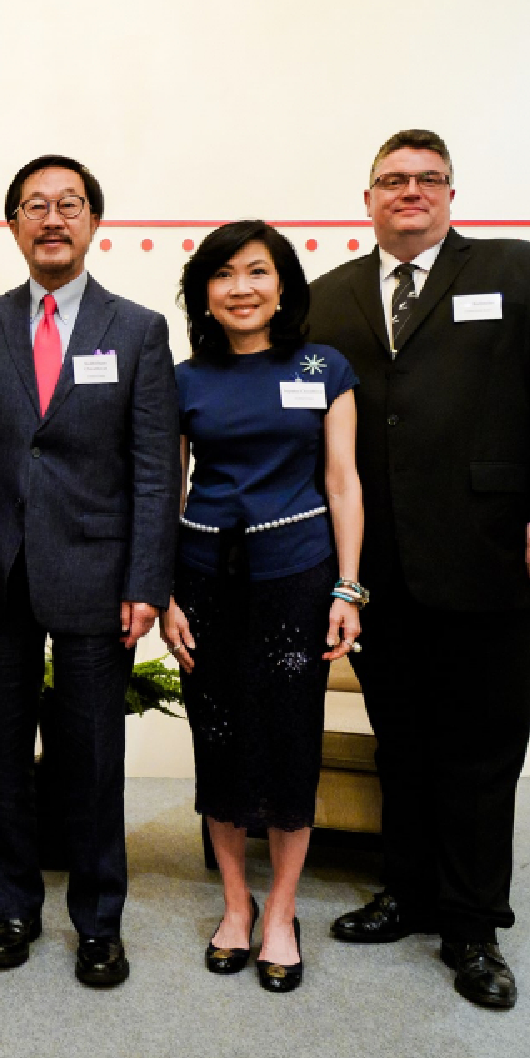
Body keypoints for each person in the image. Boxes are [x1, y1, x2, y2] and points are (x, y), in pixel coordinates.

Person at [305, 129, 530, 1010]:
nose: (410, 192)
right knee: (401, 737)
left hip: (491, 552)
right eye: (391, 181)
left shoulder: (522, 273)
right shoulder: (330, 297)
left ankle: (472, 923)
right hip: (374, 565)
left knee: (479, 745)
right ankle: (407, 889)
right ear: (366, 200)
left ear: (450, 194)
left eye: (427, 180)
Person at [0, 155, 180, 989]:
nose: (51, 218)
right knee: (1, 752)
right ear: (12, 225)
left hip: (98, 575)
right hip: (1, 571)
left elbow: (154, 468)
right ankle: (13, 906)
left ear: (93, 223)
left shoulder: (138, 328)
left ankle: (99, 922)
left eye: (68, 204)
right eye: (34, 205)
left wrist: (146, 579)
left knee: (92, 753)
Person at [158, 220, 365, 995]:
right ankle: (236, 905)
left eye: (257, 271)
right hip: (205, 573)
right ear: (203, 293)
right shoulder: (183, 379)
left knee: (287, 740)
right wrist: (166, 592)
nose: (240, 288)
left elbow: (342, 481)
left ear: (283, 285)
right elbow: (168, 490)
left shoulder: (324, 366)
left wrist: (348, 587)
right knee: (218, 739)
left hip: (297, 575)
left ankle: (282, 911)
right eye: (223, 275)